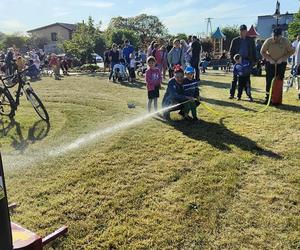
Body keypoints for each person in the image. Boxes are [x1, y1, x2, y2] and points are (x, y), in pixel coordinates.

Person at [260, 27, 295, 104]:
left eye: (277, 37)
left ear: (281, 36)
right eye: (274, 36)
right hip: (270, 63)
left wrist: (282, 59)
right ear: (272, 35)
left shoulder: (285, 41)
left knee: (279, 81)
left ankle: (277, 99)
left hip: (281, 64)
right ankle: (267, 98)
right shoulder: (268, 41)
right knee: (269, 80)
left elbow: (292, 51)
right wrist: (269, 59)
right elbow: (262, 52)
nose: (275, 38)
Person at [229, 24, 257, 99]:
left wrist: (255, 61)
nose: (242, 32)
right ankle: (232, 94)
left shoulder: (250, 40)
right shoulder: (235, 40)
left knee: (247, 80)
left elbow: (254, 51)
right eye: (241, 31)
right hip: (237, 62)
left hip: (247, 62)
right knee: (235, 79)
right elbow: (231, 52)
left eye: (244, 31)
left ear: (246, 31)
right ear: (239, 31)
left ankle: (248, 95)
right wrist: (234, 61)